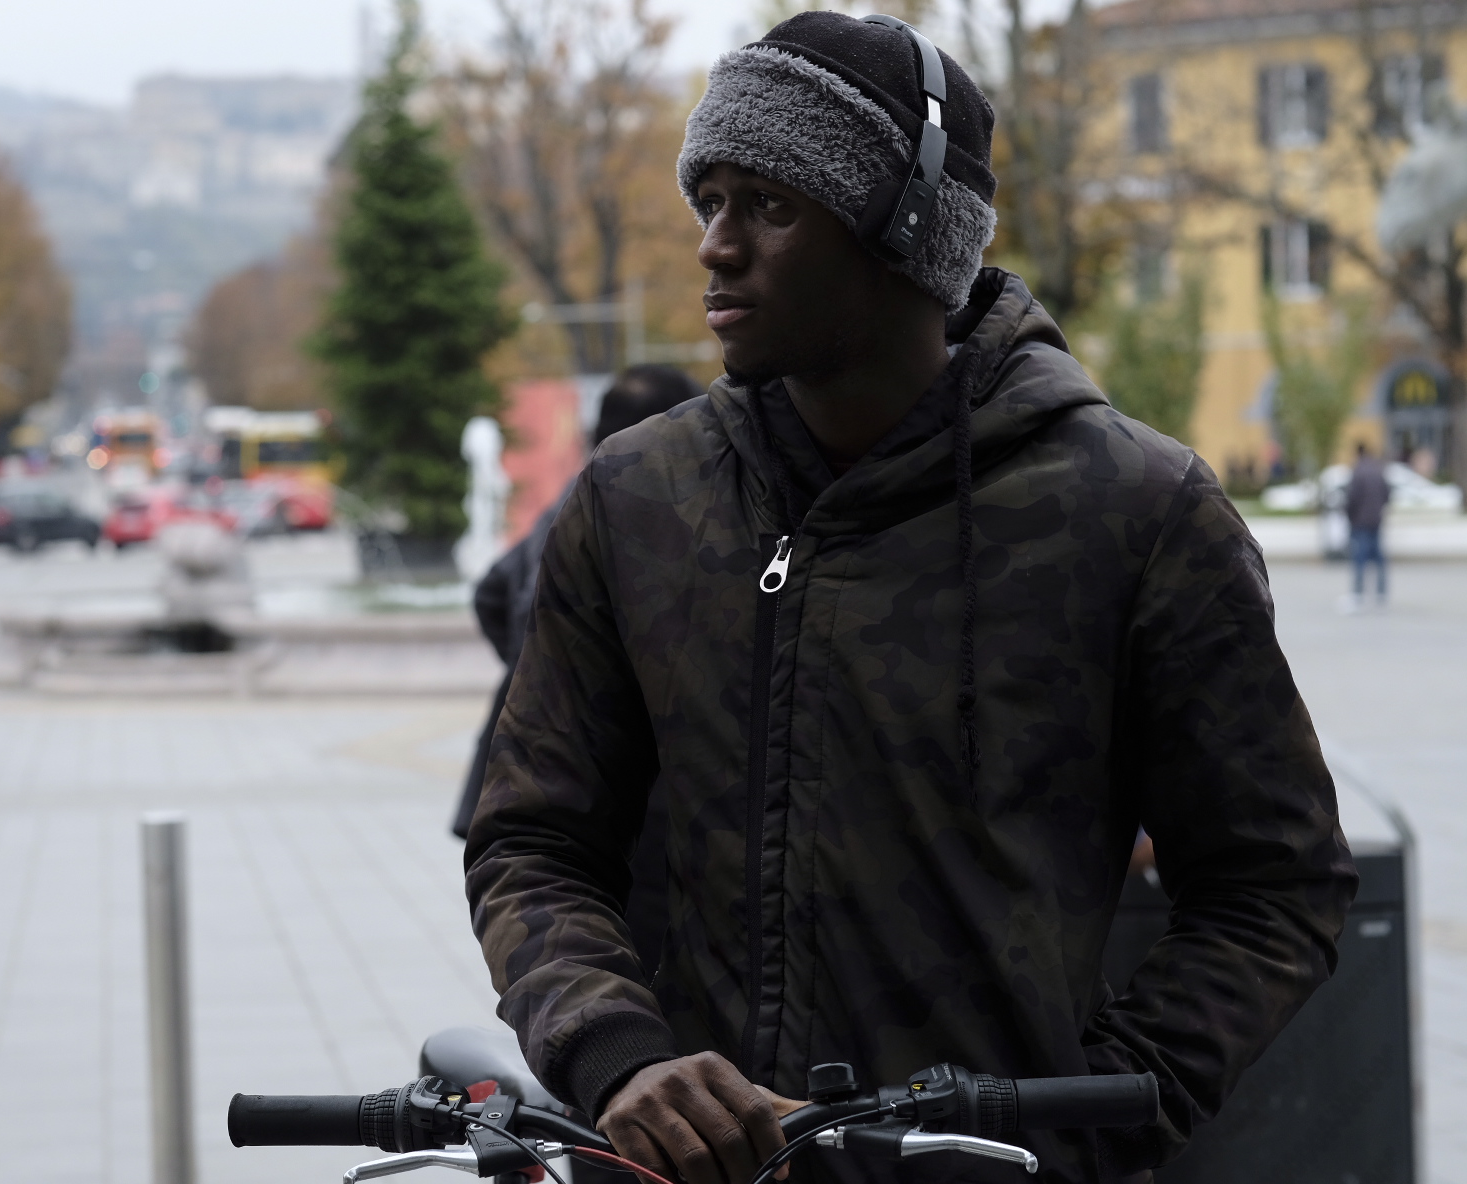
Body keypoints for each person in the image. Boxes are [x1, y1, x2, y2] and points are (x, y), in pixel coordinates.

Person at [463, 12, 1357, 1184]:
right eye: (710, 201)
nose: (715, 249)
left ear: (907, 232)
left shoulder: (1136, 512)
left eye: (770, 205)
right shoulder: (637, 497)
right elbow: (531, 834)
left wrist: (1092, 1117)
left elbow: (1273, 882)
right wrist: (618, 1055)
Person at [454, 364, 704, 969]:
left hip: (533, 776)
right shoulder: (648, 510)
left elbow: (491, 592)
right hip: (623, 798)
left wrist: (530, 669)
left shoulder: (574, 498)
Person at [1344, 442, 1391, 610]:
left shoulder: (1358, 471)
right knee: (1379, 557)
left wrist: (1350, 516)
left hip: (1361, 521)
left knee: (1360, 558)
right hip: (1376, 520)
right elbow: (1387, 494)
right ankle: (1381, 592)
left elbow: (1352, 498)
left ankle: (1358, 593)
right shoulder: (1378, 470)